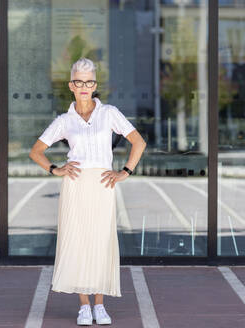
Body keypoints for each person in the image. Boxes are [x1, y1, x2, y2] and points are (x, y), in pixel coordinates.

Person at [29, 58, 147, 326]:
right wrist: (55, 169)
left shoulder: (109, 113)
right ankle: (84, 306)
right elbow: (36, 151)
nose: (84, 86)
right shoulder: (64, 120)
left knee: (101, 242)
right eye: (79, 82)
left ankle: (100, 304)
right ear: (71, 85)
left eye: (89, 81)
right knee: (78, 242)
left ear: (95, 84)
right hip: (75, 185)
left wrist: (125, 171)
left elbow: (138, 142)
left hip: (104, 185)